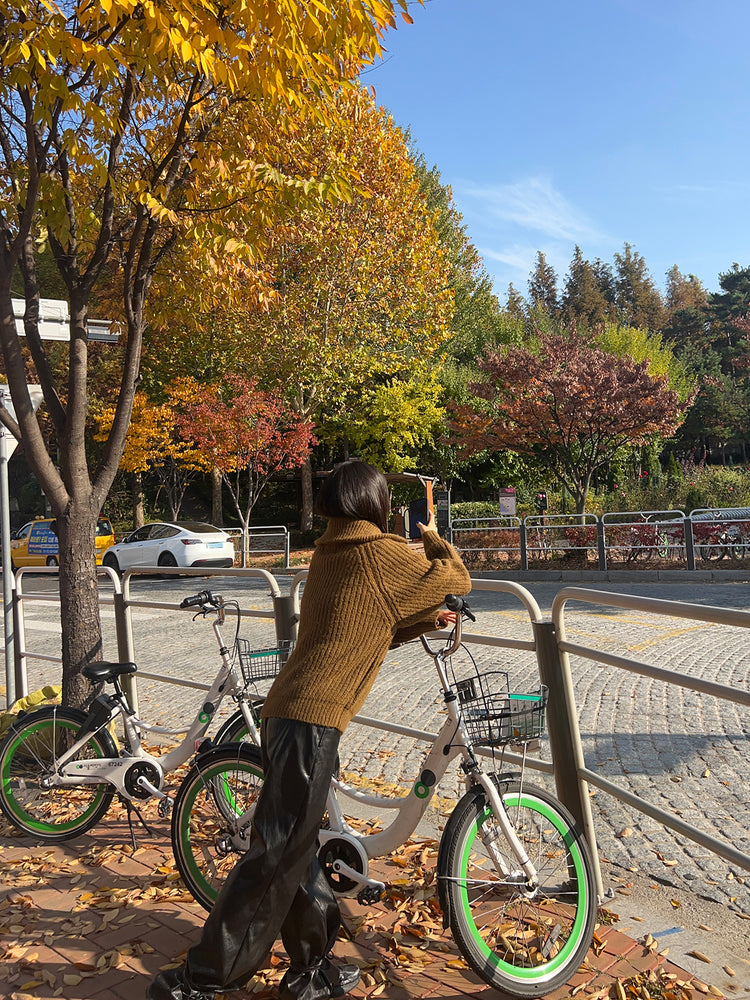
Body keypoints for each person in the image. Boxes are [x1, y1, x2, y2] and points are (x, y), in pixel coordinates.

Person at [147, 459, 471, 1000]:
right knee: (275, 854)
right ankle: (204, 978)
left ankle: (312, 969)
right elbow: (456, 579)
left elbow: (364, 628)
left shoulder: (331, 553)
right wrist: (435, 539)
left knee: (295, 850)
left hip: (287, 712)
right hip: (311, 722)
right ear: (376, 503)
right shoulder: (381, 552)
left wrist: (421, 622)